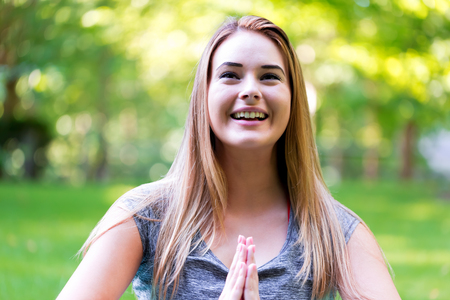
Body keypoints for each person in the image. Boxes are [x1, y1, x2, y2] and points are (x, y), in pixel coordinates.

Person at [57, 16, 401, 300]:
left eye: (269, 76)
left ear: (293, 100)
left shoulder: (334, 230)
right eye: (230, 75)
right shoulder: (144, 218)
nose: (250, 90)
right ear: (203, 97)